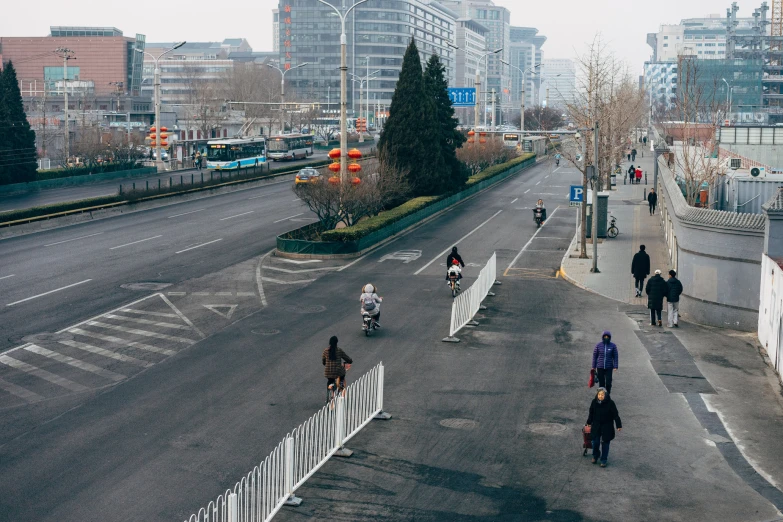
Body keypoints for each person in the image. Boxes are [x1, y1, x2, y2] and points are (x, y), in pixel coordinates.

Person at [586, 387, 622, 467]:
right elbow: (591, 413)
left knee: (605, 443)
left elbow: (615, 415)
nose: (601, 396)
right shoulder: (594, 402)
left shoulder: (611, 403)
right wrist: (589, 422)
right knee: (595, 442)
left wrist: (618, 425)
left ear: (606, 395)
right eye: (599, 394)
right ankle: (595, 455)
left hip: (607, 425)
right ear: (597, 395)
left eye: (602, 395)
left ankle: (604, 459)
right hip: (596, 424)